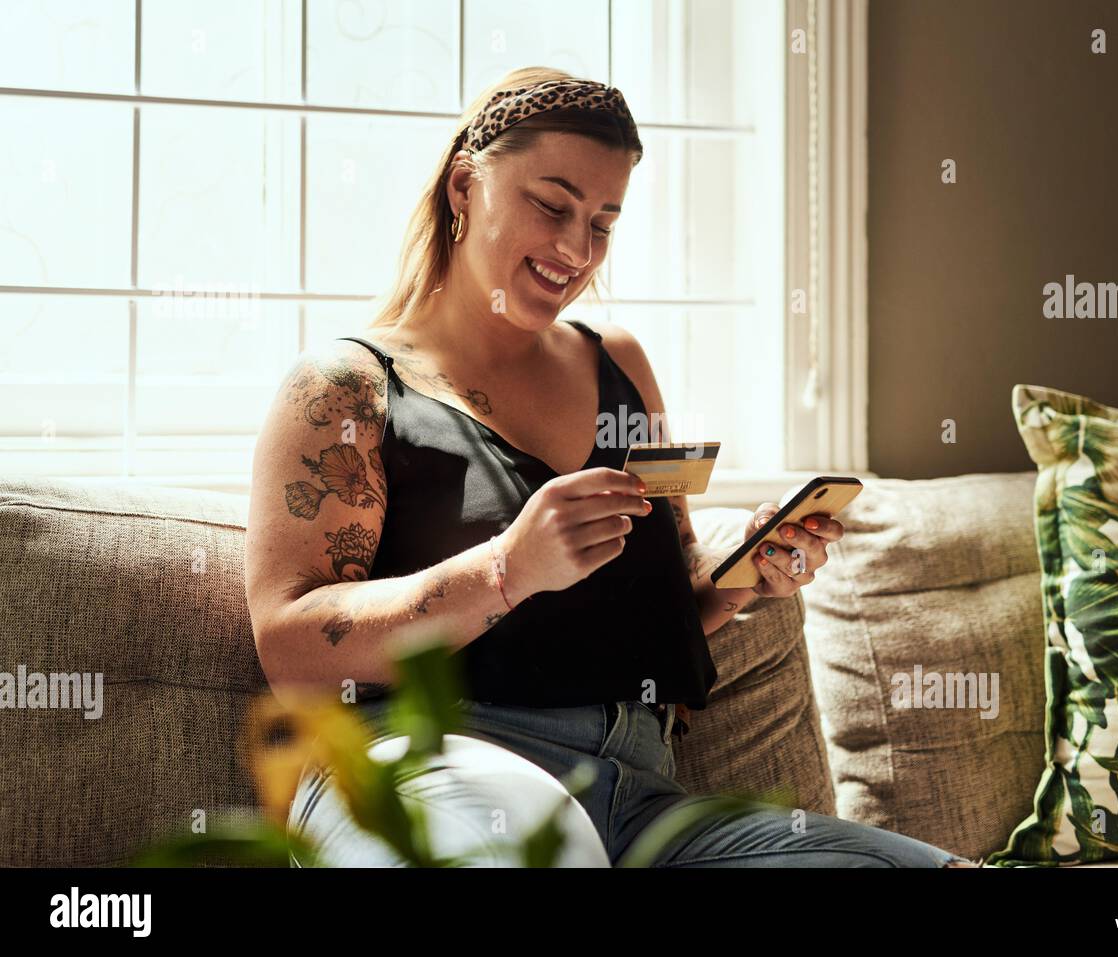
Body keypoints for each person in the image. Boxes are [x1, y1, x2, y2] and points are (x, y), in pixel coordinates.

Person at [245, 66, 976, 868]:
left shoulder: (617, 363)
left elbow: (665, 599)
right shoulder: (348, 387)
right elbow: (290, 646)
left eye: (602, 222)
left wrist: (742, 578)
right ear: (464, 187)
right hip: (439, 769)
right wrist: (506, 568)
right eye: (551, 205)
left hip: (640, 797)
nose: (576, 249)